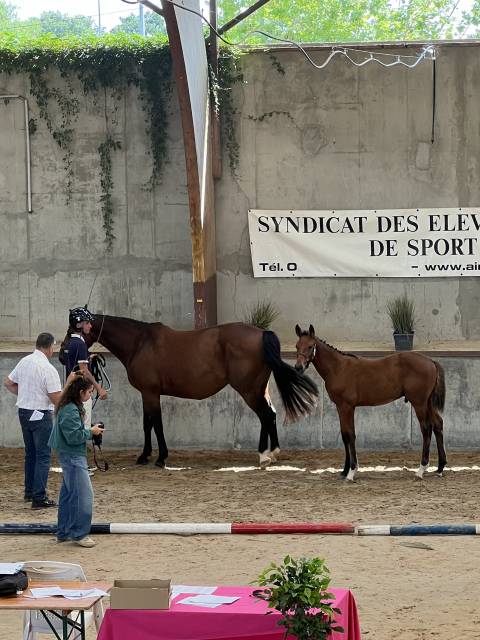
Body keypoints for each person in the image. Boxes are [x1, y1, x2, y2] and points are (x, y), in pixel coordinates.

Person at [3, 332, 62, 509]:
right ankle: (39, 497)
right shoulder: (48, 369)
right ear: (51, 347)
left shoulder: (25, 361)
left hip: (24, 412)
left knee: (31, 454)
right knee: (43, 455)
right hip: (40, 414)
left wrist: (24, 394)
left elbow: (8, 382)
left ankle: (29, 492)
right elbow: (55, 397)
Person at [48, 373, 104, 548]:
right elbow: (73, 437)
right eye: (89, 392)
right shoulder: (71, 409)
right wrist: (91, 432)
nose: (90, 396)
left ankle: (64, 532)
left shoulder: (68, 406)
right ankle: (80, 534)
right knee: (83, 496)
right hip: (73, 456)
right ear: (80, 392)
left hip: (69, 455)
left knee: (69, 495)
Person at [60, 307, 107, 430]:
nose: (90, 326)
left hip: (71, 390)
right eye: (87, 323)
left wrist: (87, 357)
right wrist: (98, 388)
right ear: (79, 324)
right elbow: (84, 370)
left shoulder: (70, 342)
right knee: (83, 428)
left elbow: (72, 362)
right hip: (81, 391)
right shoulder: (81, 344)